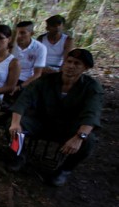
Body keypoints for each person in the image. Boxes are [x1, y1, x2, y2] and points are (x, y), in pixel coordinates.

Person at [7, 49, 103, 186]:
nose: (71, 66)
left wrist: (79, 137)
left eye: (77, 63)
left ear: (85, 68)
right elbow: (24, 100)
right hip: (42, 122)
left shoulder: (92, 87)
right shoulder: (46, 80)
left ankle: (64, 170)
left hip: (68, 128)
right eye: (69, 62)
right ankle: (18, 155)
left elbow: (92, 113)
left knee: (89, 141)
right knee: (12, 125)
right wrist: (15, 123)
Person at [11, 21, 47, 95]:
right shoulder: (10, 44)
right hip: (7, 77)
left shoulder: (40, 48)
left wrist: (19, 87)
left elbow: (37, 74)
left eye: (22, 33)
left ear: (31, 34)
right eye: (16, 33)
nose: (18, 36)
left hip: (25, 81)